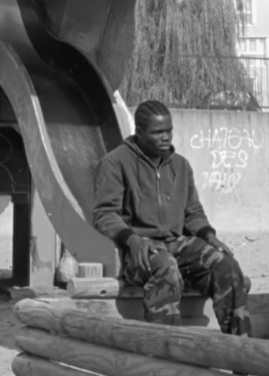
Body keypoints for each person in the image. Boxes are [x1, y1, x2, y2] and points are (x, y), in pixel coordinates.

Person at [92, 100, 252, 335]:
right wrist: (133, 239)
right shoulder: (115, 163)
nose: (166, 137)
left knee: (226, 266)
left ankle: (242, 350)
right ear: (139, 132)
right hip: (140, 251)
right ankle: (166, 349)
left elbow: (193, 213)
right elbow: (105, 214)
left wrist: (210, 236)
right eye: (158, 132)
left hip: (178, 244)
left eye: (169, 131)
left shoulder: (181, 165)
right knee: (166, 267)